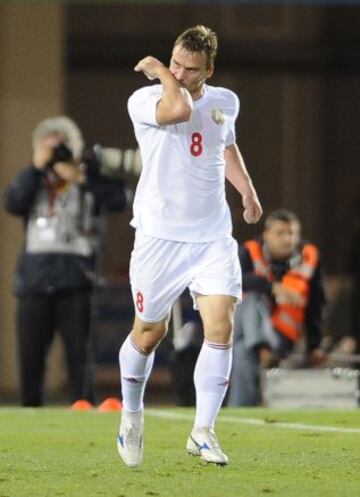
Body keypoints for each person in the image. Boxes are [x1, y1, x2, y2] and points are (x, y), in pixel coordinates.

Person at [117, 25, 262, 468]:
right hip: (160, 237)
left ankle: (202, 431)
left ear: (209, 70)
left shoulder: (225, 101)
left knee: (221, 327)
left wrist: (247, 192)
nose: (180, 73)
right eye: (176, 62)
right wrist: (163, 72)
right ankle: (131, 414)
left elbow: (226, 147)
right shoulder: (146, 99)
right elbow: (178, 110)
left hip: (212, 237)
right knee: (150, 332)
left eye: (190, 68)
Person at [4, 116, 131, 407]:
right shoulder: (34, 180)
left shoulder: (87, 176)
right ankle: (30, 411)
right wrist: (37, 167)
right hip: (34, 283)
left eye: (62, 147)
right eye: (50, 149)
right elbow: (12, 202)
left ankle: (83, 407)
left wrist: (82, 178)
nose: (57, 154)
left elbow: (120, 199)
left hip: (78, 281)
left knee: (80, 355)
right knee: (31, 357)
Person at [227, 209, 326, 407]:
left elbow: (316, 303)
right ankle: (262, 347)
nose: (287, 239)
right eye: (280, 233)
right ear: (266, 234)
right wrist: (272, 287)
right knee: (253, 297)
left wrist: (314, 345)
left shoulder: (309, 256)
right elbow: (232, 280)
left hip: (281, 336)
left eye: (292, 233)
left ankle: (240, 412)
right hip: (241, 327)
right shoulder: (248, 251)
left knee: (242, 352)